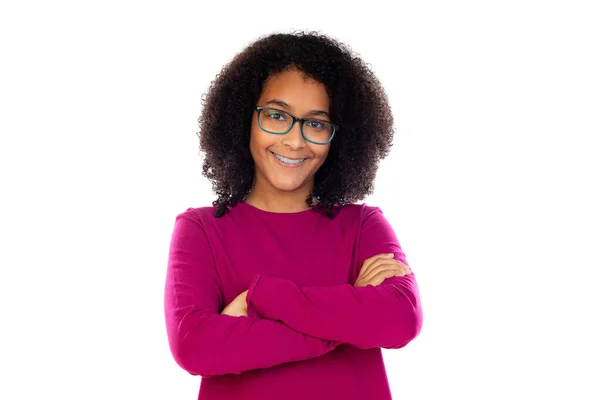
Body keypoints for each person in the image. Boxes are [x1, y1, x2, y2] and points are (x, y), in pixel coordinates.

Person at [164, 31, 423, 400]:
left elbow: (399, 320)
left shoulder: (363, 225)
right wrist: (350, 313)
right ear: (243, 120)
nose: (295, 140)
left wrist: (260, 297)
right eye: (276, 115)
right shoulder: (201, 229)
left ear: (339, 136)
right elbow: (194, 346)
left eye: (315, 123)